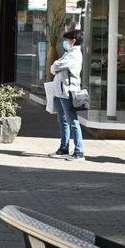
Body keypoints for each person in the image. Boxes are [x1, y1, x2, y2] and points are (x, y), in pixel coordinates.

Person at [49, 29, 85, 161]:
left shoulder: (73, 55)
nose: (65, 42)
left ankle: (79, 152)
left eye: (66, 40)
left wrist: (54, 66)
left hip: (68, 91)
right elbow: (55, 67)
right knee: (63, 120)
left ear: (73, 41)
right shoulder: (68, 53)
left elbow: (55, 67)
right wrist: (55, 66)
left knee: (72, 121)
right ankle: (63, 148)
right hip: (60, 91)